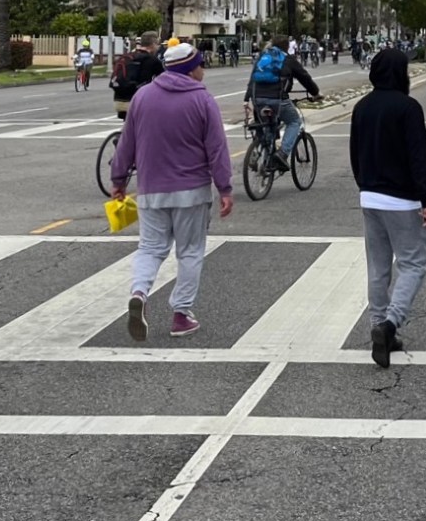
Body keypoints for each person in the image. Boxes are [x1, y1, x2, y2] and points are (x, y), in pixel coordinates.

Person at [110, 42, 234, 341]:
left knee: (150, 249)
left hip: (151, 190)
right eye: (201, 65)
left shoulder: (142, 96)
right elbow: (216, 148)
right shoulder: (203, 100)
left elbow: (127, 142)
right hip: (192, 191)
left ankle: (139, 292)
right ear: (190, 68)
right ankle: (181, 315)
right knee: (190, 252)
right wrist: (225, 187)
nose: (203, 69)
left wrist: (119, 179)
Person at [349, 47, 426, 367]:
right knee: (413, 263)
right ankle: (390, 324)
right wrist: (425, 199)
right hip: (402, 199)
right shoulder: (408, 107)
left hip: (370, 196)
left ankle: (377, 326)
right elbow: (418, 156)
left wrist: (364, 185)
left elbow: (354, 153)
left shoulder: (362, 107)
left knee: (378, 267)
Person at [245, 36, 321, 172]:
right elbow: (305, 78)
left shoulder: (263, 57)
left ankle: (257, 152)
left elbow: (252, 79)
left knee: (266, 126)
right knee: (294, 122)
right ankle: (282, 154)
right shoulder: (288, 59)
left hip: (257, 98)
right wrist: (315, 93)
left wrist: (247, 99)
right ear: (287, 47)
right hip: (277, 99)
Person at [111, 30, 164, 120]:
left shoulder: (126, 57)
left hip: (118, 102)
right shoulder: (152, 60)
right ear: (153, 44)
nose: (158, 47)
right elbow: (165, 79)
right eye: (157, 44)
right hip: (138, 103)